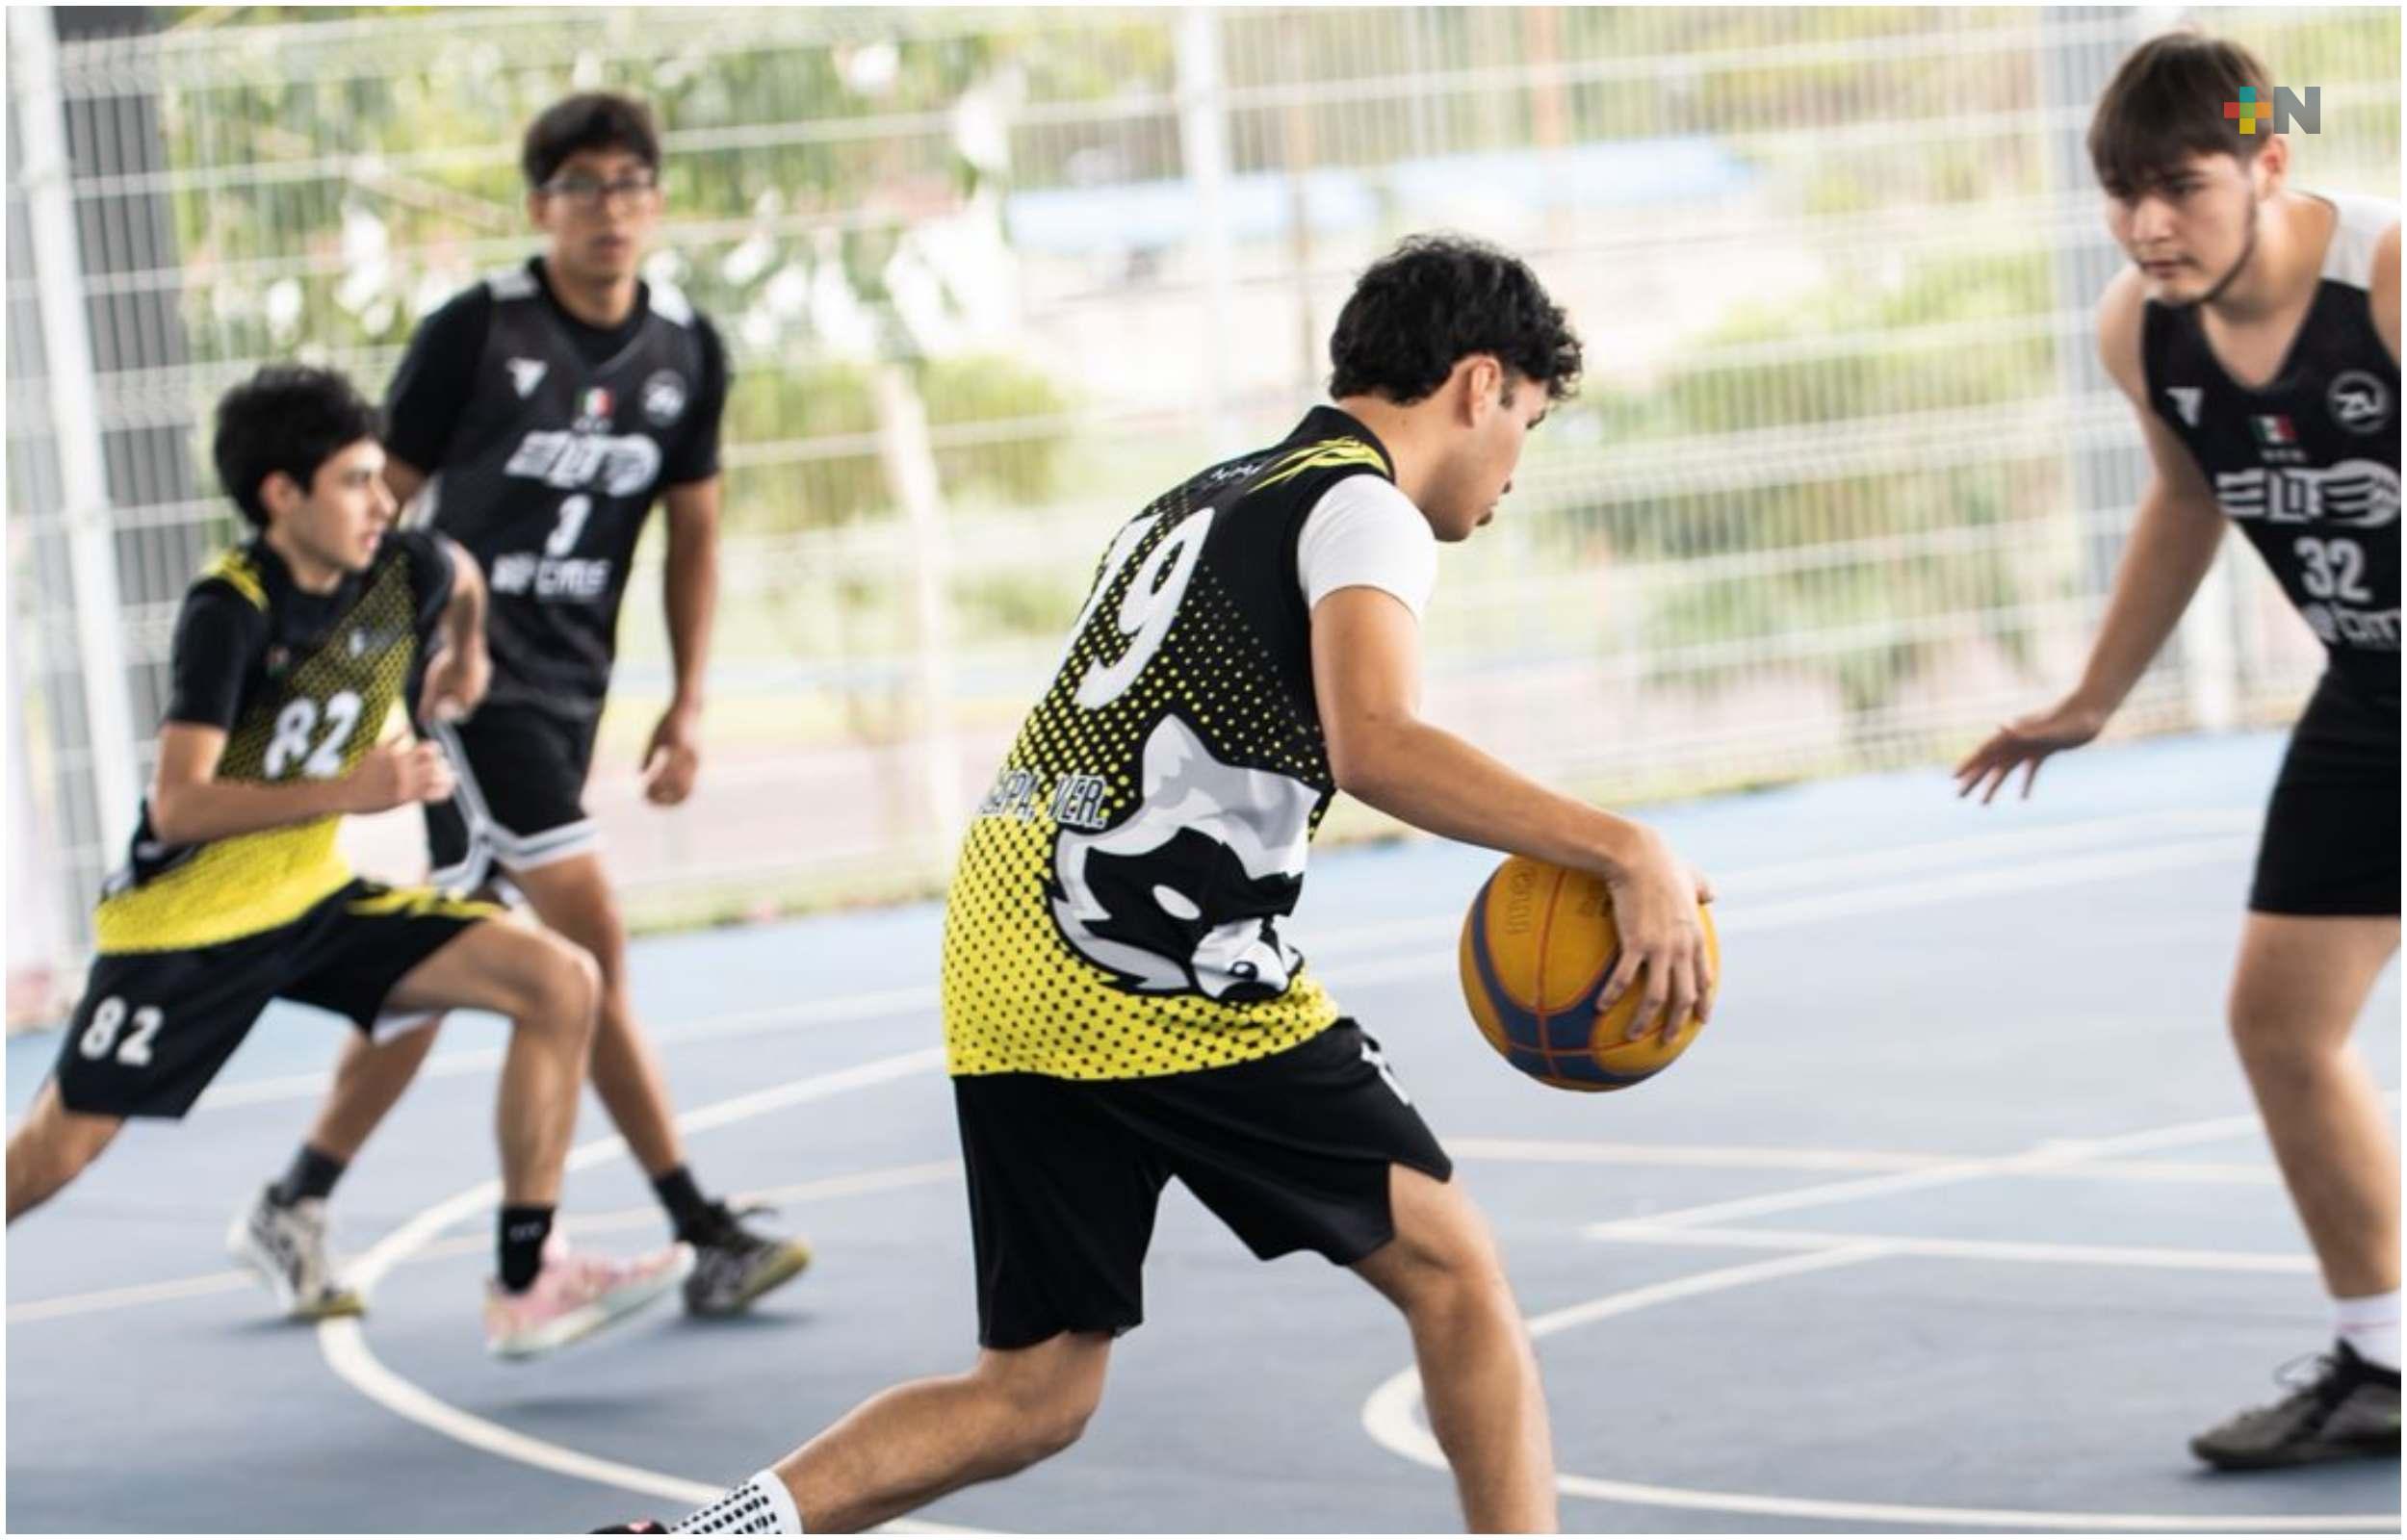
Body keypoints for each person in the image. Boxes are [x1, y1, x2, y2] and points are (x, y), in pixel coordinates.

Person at [607, 235, 1717, 1535]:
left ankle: (700, 1539)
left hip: (1011, 938)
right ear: (1479, 383)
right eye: (1527, 420)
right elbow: (1379, 742)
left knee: (1034, 1393)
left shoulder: (1204, 493)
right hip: (1141, 956)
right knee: (1459, 1276)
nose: (1519, 465)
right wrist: (1622, 846)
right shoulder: (1359, 501)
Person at [228, 91, 808, 1322]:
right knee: (585, 946)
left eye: (631, 182)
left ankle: (296, 1196)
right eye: (584, 185)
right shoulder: (475, 332)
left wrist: (689, 701)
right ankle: (679, 1229)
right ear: (539, 206)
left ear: (658, 200)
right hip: (468, 688)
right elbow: (371, 505)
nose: (611, 207)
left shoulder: (687, 351)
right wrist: (373, 664)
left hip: (572, 693)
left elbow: (692, 533)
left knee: (451, 962)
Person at [6, 365, 687, 1359]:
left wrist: (469, 655)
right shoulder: (230, 610)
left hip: (315, 902)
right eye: (357, 481)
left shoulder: (401, 568)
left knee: (559, 981)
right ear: (283, 496)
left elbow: (463, 573)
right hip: (188, 929)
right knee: (60, 1148)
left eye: (382, 480)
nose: (384, 500)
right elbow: (180, 801)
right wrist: (351, 791)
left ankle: (527, 1275)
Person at [1956, 32, 2399, 1470]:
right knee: (2281, 1026)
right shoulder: (2140, 330)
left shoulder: (2386, 280)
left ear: (2270, 165)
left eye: (2182, 187)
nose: (2148, 223)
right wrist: (2093, 696)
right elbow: (2186, 499)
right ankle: (2387, 1356)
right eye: (2120, 192)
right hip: (2374, 682)